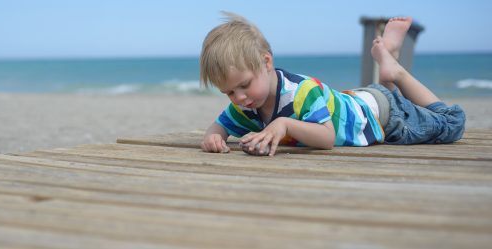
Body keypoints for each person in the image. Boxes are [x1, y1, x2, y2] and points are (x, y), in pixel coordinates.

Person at [199, 13, 465, 156]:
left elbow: (326, 138)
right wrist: (214, 137)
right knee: (388, 95)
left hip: (385, 118)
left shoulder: (303, 91)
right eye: (229, 92)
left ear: (266, 62)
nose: (239, 97)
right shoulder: (247, 104)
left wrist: (285, 124)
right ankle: (388, 62)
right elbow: (220, 125)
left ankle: (396, 71)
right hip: (359, 100)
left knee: (452, 122)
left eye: (243, 85)